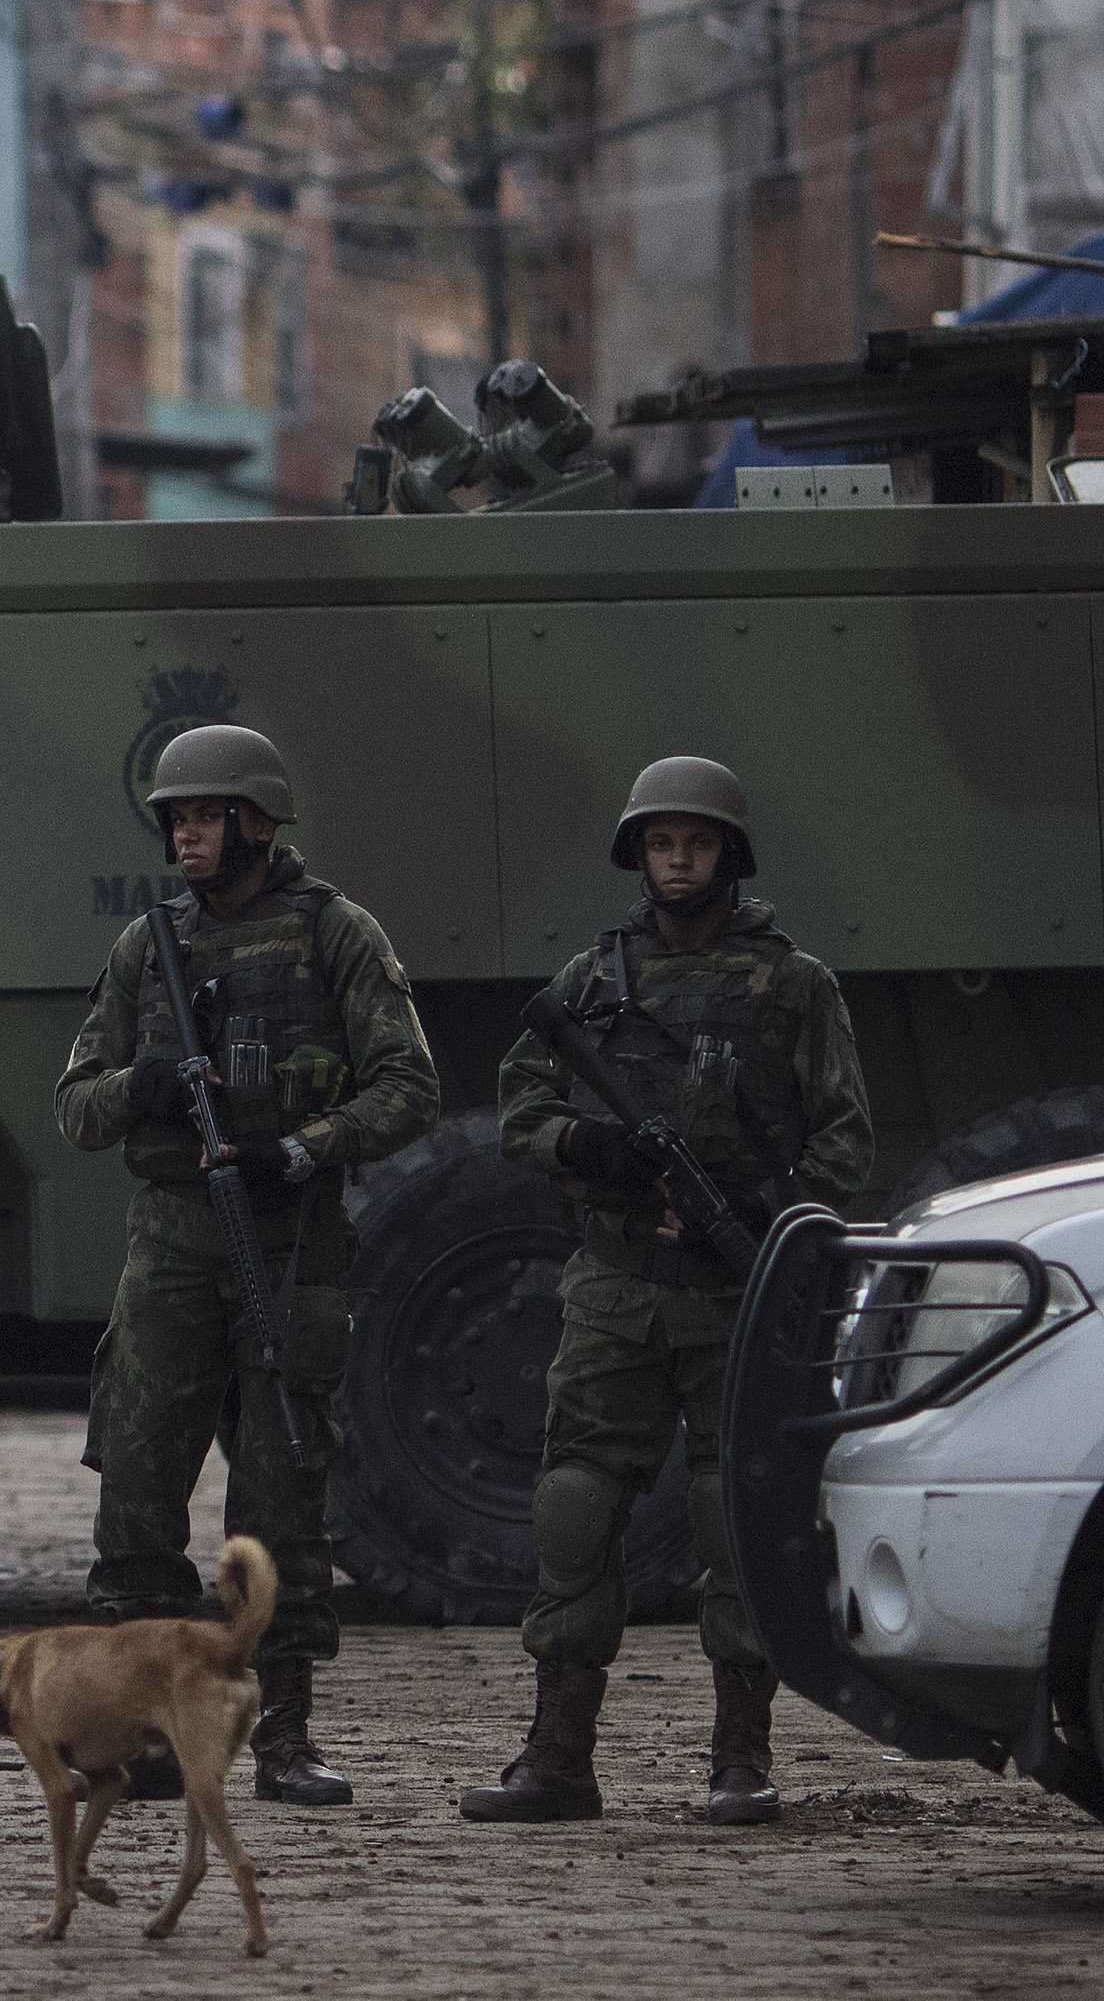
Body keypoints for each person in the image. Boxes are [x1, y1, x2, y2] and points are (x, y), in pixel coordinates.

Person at [461, 756, 871, 1827]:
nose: (674, 860)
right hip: (614, 1288)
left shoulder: (793, 985)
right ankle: (556, 1759)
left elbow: (844, 1143)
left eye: (692, 843)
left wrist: (758, 1202)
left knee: (728, 1514)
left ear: (726, 854)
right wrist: (586, 1146)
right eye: (657, 843)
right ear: (636, 855)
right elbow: (517, 1113)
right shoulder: (590, 984)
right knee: (574, 1507)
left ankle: (740, 1756)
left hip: (735, 1292)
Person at [51, 722, 438, 1807]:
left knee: (278, 1505)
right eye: (172, 816)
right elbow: (76, 1107)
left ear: (257, 822)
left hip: (287, 1240)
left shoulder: (334, 936)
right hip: (170, 1242)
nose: (183, 833)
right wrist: (147, 1088)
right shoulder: (145, 949)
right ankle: (139, 1735)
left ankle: (282, 1740)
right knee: (134, 1500)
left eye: (203, 815)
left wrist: (304, 1146)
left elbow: (409, 1087)